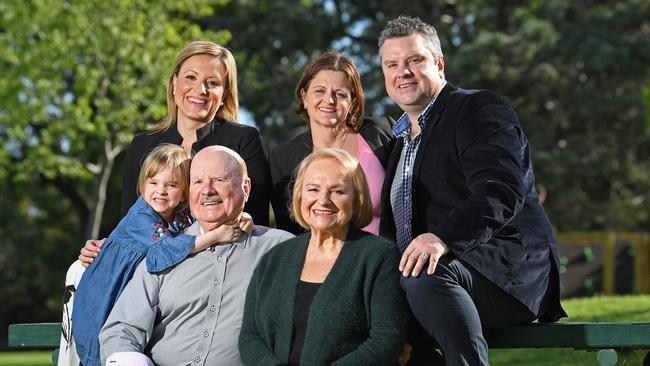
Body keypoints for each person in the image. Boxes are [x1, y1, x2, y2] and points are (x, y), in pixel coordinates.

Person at [377, 16, 566, 365]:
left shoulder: (477, 109)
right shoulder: (400, 142)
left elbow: (500, 189)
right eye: (392, 64)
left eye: (414, 60)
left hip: (504, 272)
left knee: (424, 274)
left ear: (439, 64)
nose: (403, 71)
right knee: (363, 309)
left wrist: (441, 238)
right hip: (431, 282)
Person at [99, 146, 294, 366]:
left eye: (219, 179)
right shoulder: (166, 251)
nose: (207, 190)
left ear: (245, 188)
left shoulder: (281, 249)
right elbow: (121, 330)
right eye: (198, 181)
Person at [71, 144, 247, 366]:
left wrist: (240, 217)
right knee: (106, 345)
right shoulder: (141, 216)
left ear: (184, 192)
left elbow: (205, 220)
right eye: (153, 183)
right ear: (143, 184)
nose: (160, 191)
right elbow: (166, 251)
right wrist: (217, 236)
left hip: (133, 291)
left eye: (171, 185)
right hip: (106, 293)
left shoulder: (180, 216)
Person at [239, 148, 407, 365]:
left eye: (337, 191)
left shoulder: (379, 256)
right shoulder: (275, 257)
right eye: (313, 189)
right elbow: (250, 337)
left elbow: (386, 339)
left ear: (356, 198)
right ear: (299, 195)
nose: (323, 200)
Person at [121, 40, 270, 225]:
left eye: (213, 83)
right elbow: (128, 223)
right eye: (191, 77)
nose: (200, 90)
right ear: (174, 83)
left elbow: (257, 220)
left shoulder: (243, 140)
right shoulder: (142, 145)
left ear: (224, 94)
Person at [270, 52, 395, 235]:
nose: (329, 100)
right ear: (304, 97)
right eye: (320, 91)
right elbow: (287, 232)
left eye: (340, 94)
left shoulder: (383, 133)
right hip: (321, 261)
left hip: (387, 257)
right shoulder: (282, 157)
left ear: (352, 102)